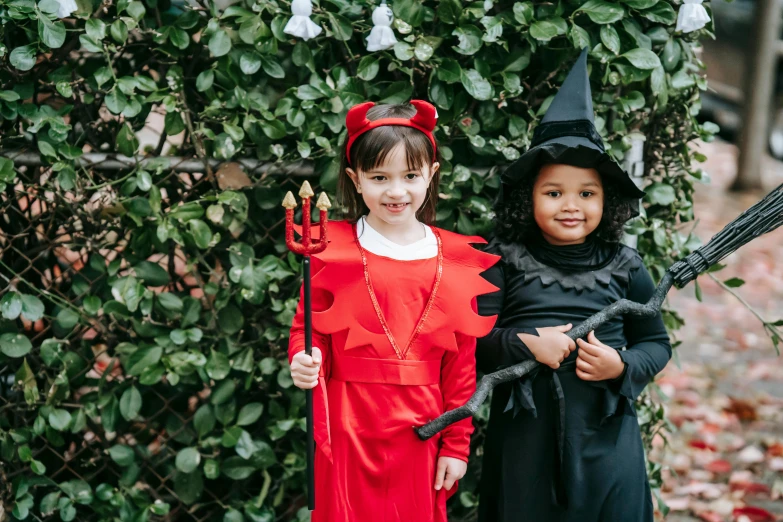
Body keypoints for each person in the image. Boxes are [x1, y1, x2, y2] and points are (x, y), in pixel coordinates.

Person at [476, 49, 672, 522]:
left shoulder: (625, 266)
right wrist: (526, 344)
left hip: (606, 435)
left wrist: (620, 365)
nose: (571, 205)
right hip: (525, 439)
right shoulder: (503, 261)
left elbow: (656, 343)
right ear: (529, 199)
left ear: (607, 200)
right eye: (553, 192)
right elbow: (473, 343)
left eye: (586, 193)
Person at [288, 100, 499, 522]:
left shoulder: (456, 260)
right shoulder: (331, 250)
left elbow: (461, 366)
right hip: (350, 423)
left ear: (431, 176)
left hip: (422, 429)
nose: (396, 191)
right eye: (380, 177)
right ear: (355, 179)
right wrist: (304, 358)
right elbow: (309, 327)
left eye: (410, 176)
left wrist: (456, 444)